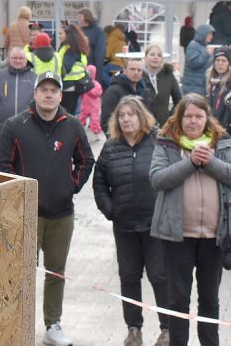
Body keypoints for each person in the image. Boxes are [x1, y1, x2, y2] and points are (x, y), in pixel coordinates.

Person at [0, 71, 95, 346]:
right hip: (26, 216)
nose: (48, 94)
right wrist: (19, 200)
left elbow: (86, 160)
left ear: (61, 96)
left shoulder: (72, 126)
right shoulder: (15, 126)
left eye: (54, 90)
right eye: (43, 90)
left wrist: (71, 186)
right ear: (35, 94)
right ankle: (15, 325)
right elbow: (1, 167)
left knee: (55, 272)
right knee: (21, 273)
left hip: (61, 215)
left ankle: (53, 325)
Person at [149, 94, 231, 346]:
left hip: (214, 237)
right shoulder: (166, 143)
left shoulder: (221, 143)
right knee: (178, 300)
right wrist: (191, 162)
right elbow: (157, 179)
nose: (193, 121)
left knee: (210, 300)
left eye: (198, 116)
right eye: (188, 116)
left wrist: (210, 162)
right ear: (179, 118)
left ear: (207, 118)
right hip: (177, 236)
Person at [94, 97, 170, 346]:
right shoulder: (110, 147)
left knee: (159, 276)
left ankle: (167, 328)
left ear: (141, 117)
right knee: (129, 277)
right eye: (121, 115)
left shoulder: (158, 141)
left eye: (131, 114)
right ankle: (134, 328)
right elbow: (100, 184)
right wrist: (111, 210)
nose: (126, 119)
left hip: (154, 225)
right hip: (124, 226)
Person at [101, 57, 148, 133]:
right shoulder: (113, 91)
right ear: (124, 71)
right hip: (120, 140)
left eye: (139, 70)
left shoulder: (145, 91)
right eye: (132, 69)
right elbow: (106, 122)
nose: (136, 72)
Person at [142, 43, 182, 126]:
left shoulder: (168, 75)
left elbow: (179, 101)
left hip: (163, 125)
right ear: (145, 58)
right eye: (152, 54)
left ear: (162, 59)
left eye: (159, 55)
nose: (156, 57)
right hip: (142, 124)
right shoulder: (138, 75)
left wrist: (171, 117)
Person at [57, 23, 91, 113]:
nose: (58, 36)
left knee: (65, 114)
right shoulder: (77, 47)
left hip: (68, 85)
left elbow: (65, 67)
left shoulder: (69, 50)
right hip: (75, 84)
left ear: (68, 35)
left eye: (61, 33)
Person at [182, 24, 214, 96]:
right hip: (193, 88)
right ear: (204, 34)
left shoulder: (203, 46)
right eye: (210, 34)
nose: (212, 37)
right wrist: (207, 54)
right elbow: (193, 63)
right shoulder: (193, 46)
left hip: (200, 86)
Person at [79, 8, 107, 88]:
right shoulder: (80, 30)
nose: (79, 19)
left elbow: (100, 52)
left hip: (92, 64)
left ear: (86, 17)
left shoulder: (98, 31)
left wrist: (97, 71)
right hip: (80, 64)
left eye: (80, 17)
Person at [78, 65, 105, 139]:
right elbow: (81, 93)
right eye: (87, 72)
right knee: (81, 120)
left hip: (93, 107)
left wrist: (89, 90)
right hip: (85, 106)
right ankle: (79, 132)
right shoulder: (85, 82)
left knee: (95, 121)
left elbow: (98, 92)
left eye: (90, 72)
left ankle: (96, 134)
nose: (88, 74)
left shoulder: (95, 84)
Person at [206, 47, 231, 115]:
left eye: (223, 61)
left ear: (229, 63)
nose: (220, 63)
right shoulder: (210, 80)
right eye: (217, 60)